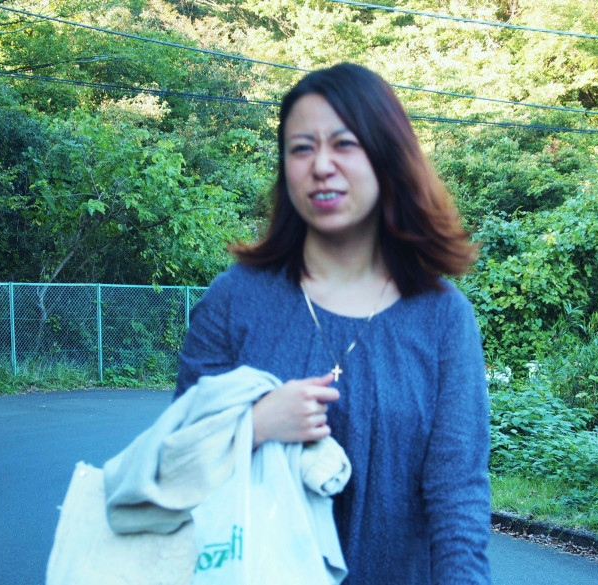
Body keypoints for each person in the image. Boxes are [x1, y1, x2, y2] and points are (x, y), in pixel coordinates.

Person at [174, 62, 491, 585]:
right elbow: (175, 461)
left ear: (388, 156)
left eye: (344, 144)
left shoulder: (442, 316)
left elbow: (457, 494)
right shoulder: (234, 300)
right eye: (301, 148)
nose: (321, 165)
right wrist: (254, 426)